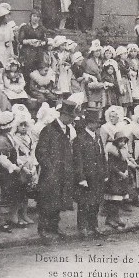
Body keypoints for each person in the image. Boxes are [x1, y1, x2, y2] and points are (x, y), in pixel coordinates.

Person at [34, 99, 77, 239]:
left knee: (58, 201)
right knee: (46, 201)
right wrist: (49, 168)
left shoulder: (69, 130)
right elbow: (40, 152)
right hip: (50, 173)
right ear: (63, 115)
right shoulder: (48, 129)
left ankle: (54, 227)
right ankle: (43, 230)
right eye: (70, 117)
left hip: (63, 172)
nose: (71, 120)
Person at [72, 110, 107, 239]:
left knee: (96, 202)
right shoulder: (80, 139)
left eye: (98, 122)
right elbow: (78, 160)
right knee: (84, 203)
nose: (97, 125)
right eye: (95, 122)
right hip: (86, 177)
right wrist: (81, 178)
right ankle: (82, 227)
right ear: (88, 123)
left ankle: (94, 225)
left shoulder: (97, 137)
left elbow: (102, 156)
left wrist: (105, 172)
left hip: (97, 176)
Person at [16, 11, 50, 75]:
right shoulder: (25, 27)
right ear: (30, 17)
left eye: (38, 17)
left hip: (39, 51)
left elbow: (45, 40)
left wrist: (40, 43)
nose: (36, 18)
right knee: (28, 68)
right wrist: (29, 41)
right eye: (34, 16)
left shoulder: (42, 28)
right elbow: (20, 40)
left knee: (39, 68)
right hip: (27, 51)